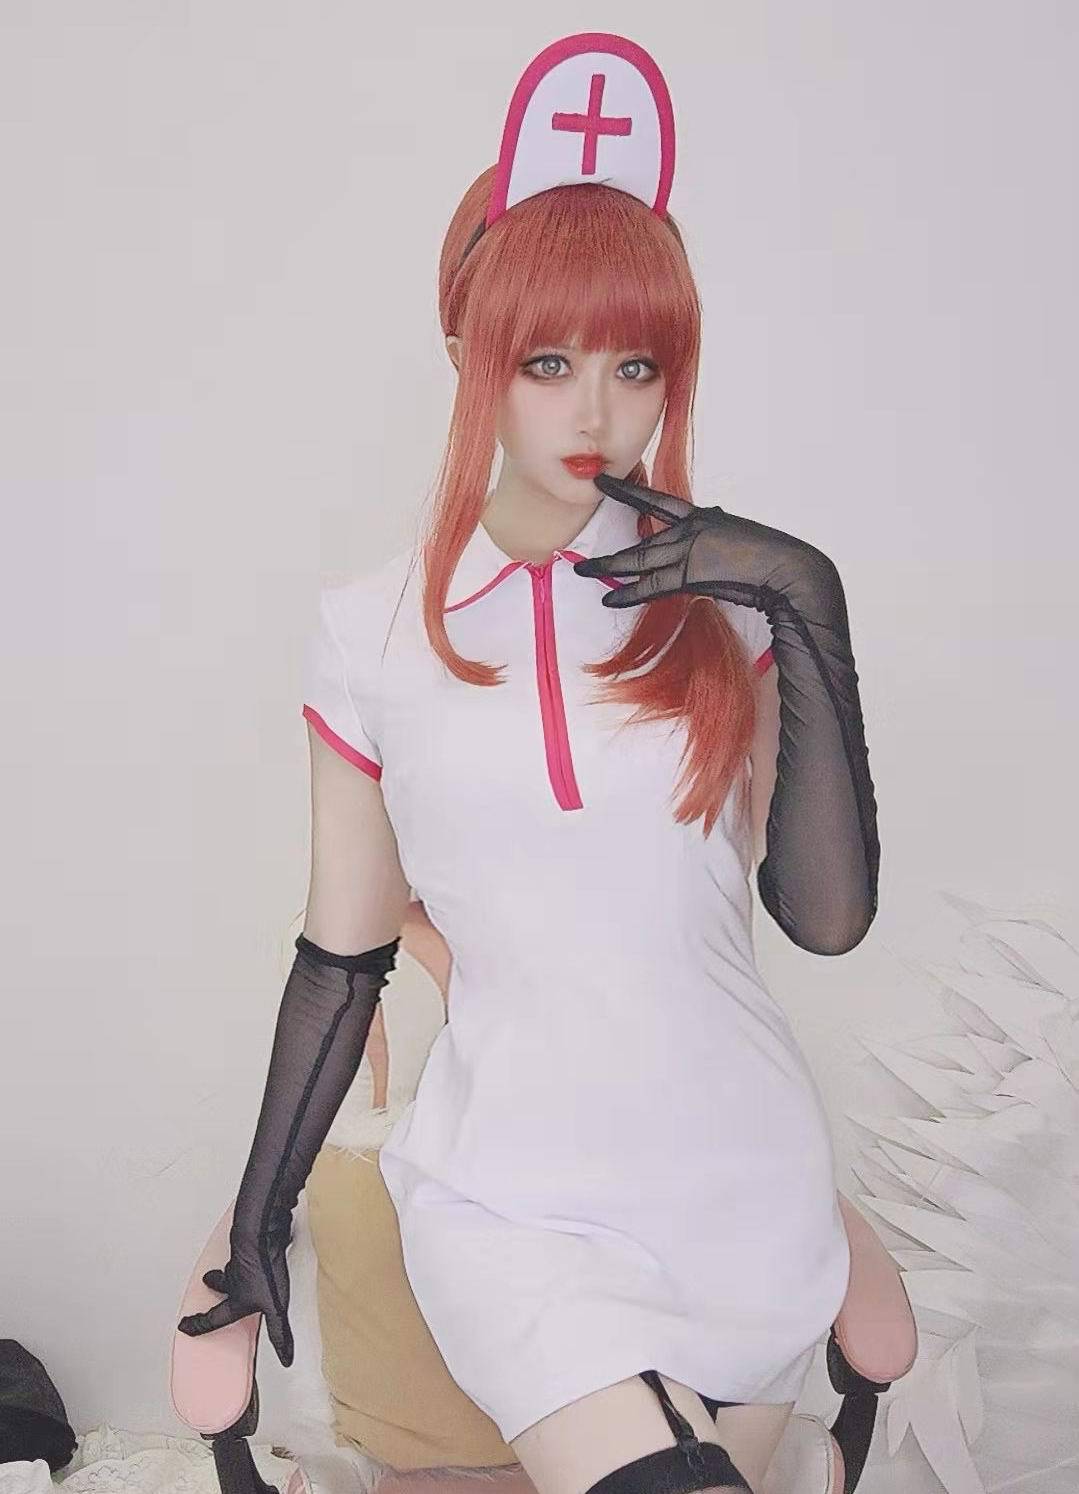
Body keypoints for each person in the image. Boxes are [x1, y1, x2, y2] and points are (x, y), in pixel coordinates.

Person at [178, 32, 879, 1494]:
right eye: (546, 361)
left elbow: (824, 916)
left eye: (637, 364)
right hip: (520, 1204)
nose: (596, 412)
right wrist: (256, 1218)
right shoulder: (371, 631)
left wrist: (805, 600)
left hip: (742, 1191)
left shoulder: (735, 604)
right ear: (468, 361)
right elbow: (342, 960)